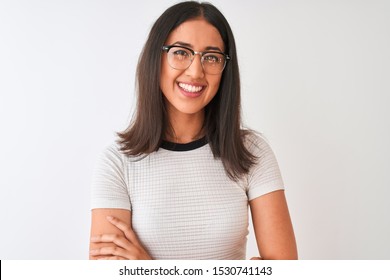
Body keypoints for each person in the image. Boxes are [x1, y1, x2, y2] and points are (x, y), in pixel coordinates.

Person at [89, 1, 297, 260]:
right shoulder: (117, 162)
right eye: (181, 52)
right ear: (157, 57)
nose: (196, 71)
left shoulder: (251, 152)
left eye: (211, 57)